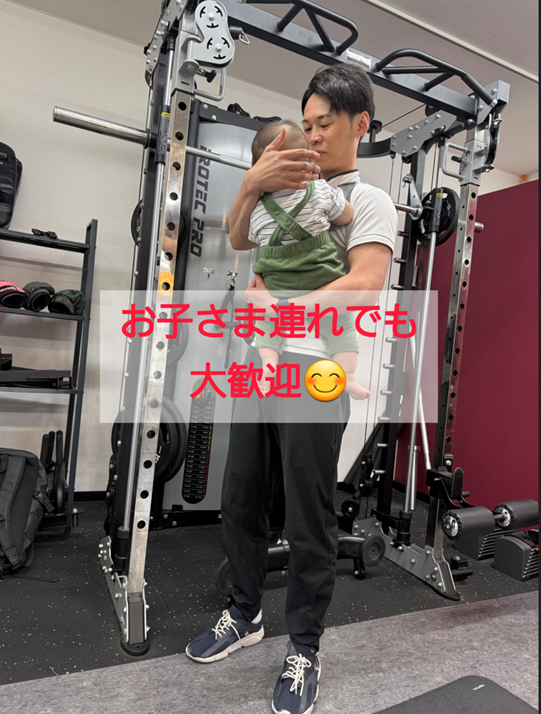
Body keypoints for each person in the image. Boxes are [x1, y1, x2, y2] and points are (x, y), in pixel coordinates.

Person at [185, 64, 398, 714]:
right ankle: (244, 613)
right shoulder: (282, 186)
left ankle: (304, 645)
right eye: (305, 124)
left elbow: (365, 283)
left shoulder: (367, 201)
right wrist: (252, 183)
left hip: (318, 373)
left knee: (308, 516)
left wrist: (280, 310)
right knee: (240, 499)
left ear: (360, 125)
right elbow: (238, 235)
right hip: (262, 367)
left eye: (324, 124)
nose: (312, 136)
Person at [248, 119, 371, 401]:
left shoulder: (257, 208)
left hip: (278, 285)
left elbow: (252, 238)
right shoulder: (320, 191)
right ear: (307, 163)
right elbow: (346, 216)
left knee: (266, 324)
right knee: (340, 327)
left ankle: (269, 364)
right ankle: (348, 376)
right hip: (319, 282)